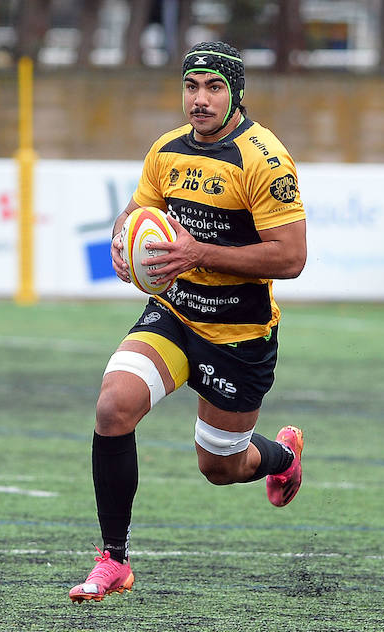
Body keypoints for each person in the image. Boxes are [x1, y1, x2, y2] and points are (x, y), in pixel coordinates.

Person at [69, 41, 307, 603]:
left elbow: (291, 257)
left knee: (221, 467)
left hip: (238, 338)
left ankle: (283, 458)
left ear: (236, 94)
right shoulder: (166, 151)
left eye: (214, 88)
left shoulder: (265, 161)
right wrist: (121, 243)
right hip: (175, 316)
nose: (199, 100)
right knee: (113, 407)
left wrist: (199, 253)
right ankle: (113, 560)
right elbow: (137, 213)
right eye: (192, 87)